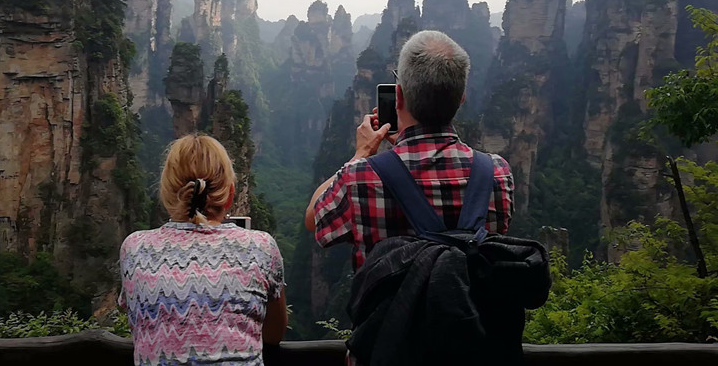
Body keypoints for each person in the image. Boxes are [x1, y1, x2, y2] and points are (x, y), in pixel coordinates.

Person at [305, 29, 514, 271]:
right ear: (461, 99)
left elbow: (314, 218)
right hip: (472, 309)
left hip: (391, 309)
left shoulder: (361, 177)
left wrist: (361, 154)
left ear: (399, 96)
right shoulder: (497, 174)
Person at [120, 134, 287, 366]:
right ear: (229, 195)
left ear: (167, 193)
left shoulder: (134, 248)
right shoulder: (261, 247)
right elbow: (274, 334)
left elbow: (140, 324)